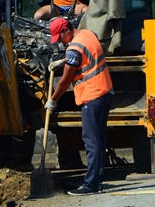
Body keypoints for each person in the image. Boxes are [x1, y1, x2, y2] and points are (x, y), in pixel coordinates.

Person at [44, 18, 114, 195]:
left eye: (59, 37)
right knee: (98, 139)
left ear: (66, 30)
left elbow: (66, 79)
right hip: (106, 91)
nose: (59, 41)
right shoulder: (88, 34)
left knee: (91, 140)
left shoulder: (74, 48)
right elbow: (88, 54)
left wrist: (53, 100)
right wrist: (64, 60)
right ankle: (97, 181)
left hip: (92, 95)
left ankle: (90, 185)